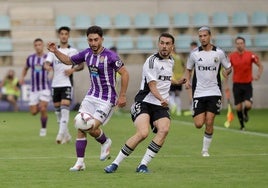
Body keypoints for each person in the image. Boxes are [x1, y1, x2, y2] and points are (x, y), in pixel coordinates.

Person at [46, 25, 129, 171]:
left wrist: (122, 95)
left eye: (96, 40)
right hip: (91, 96)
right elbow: (68, 60)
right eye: (90, 40)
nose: (93, 43)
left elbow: (125, 73)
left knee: (89, 126)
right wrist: (55, 51)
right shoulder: (86, 53)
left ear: (102, 39)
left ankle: (105, 141)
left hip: (106, 99)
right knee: (80, 125)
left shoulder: (110, 56)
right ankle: (80, 163)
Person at [104, 32, 186, 173]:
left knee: (164, 129)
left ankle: (143, 164)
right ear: (158, 44)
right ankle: (115, 163)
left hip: (160, 104)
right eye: (162, 43)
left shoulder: (171, 61)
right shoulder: (151, 61)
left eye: (167, 44)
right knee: (143, 133)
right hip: (145, 102)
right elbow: (153, 86)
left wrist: (177, 81)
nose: (164, 46)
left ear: (172, 47)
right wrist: (162, 99)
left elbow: (164, 78)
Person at [184, 26, 232, 157]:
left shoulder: (219, 53)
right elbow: (188, 69)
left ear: (210, 36)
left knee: (209, 121)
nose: (202, 38)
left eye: (205, 35)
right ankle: (203, 121)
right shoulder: (194, 54)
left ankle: (205, 150)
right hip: (199, 92)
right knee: (199, 124)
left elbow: (229, 67)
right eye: (200, 36)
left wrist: (226, 71)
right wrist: (187, 80)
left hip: (214, 92)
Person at [44, 26, 84, 144]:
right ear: (59, 35)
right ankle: (66, 135)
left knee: (64, 109)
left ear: (68, 36)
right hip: (55, 84)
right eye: (62, 34)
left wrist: (73, 70)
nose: (64, 36)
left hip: (67, 83)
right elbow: (46, 64)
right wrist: (48, 67)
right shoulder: (53, 51)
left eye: (66, 34)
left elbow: (81, 65)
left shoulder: (73, 51)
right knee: (58, 113)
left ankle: (60, 135)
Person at [225, 36, 263, 131]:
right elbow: (227, 71)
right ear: (235, 44)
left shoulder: (250, 55)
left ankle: (245, 113)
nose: (239, 45)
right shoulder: (232, 56)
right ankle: (242, 126)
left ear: (244, 44)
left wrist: (258, 75)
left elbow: (260, 66)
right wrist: (226, 85)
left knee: (248, 105)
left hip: (247, 84)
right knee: (238, 107)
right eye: (238, 43)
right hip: (237, 85)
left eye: (241, 43)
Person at [20, 38, 51, 136]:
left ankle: (43, 129)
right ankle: (40, 105)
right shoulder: (30, 58)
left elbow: (52, 68)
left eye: (40, 45)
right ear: (34, 46)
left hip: (45, 88)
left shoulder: (48, 57)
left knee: (42, 108)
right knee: (33, 112)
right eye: (36, 45)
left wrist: (50, 71)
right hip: (34, 89)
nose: (38, 47)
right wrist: (22, 77)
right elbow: (25, 68)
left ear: (42, 46)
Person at [183, 41, 199, 116]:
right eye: (192, 48)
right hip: (191, 77)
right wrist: (187, 79)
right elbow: (187, 69)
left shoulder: (200, 56)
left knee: (196, 94)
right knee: (190, 94)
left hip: (199, 79)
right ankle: (192, 108)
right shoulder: (190, 57)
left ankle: (196, 109)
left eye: (194, 48)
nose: (193, 49)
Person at [169, 47, 185, 116]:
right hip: (180, 78)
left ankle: (173, 105)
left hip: (173, 78)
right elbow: (184, 67)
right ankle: (178, 111)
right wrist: (182, 75)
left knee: (170, 93)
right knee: (177, 94)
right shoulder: (179, 57)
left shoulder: (171, 58)